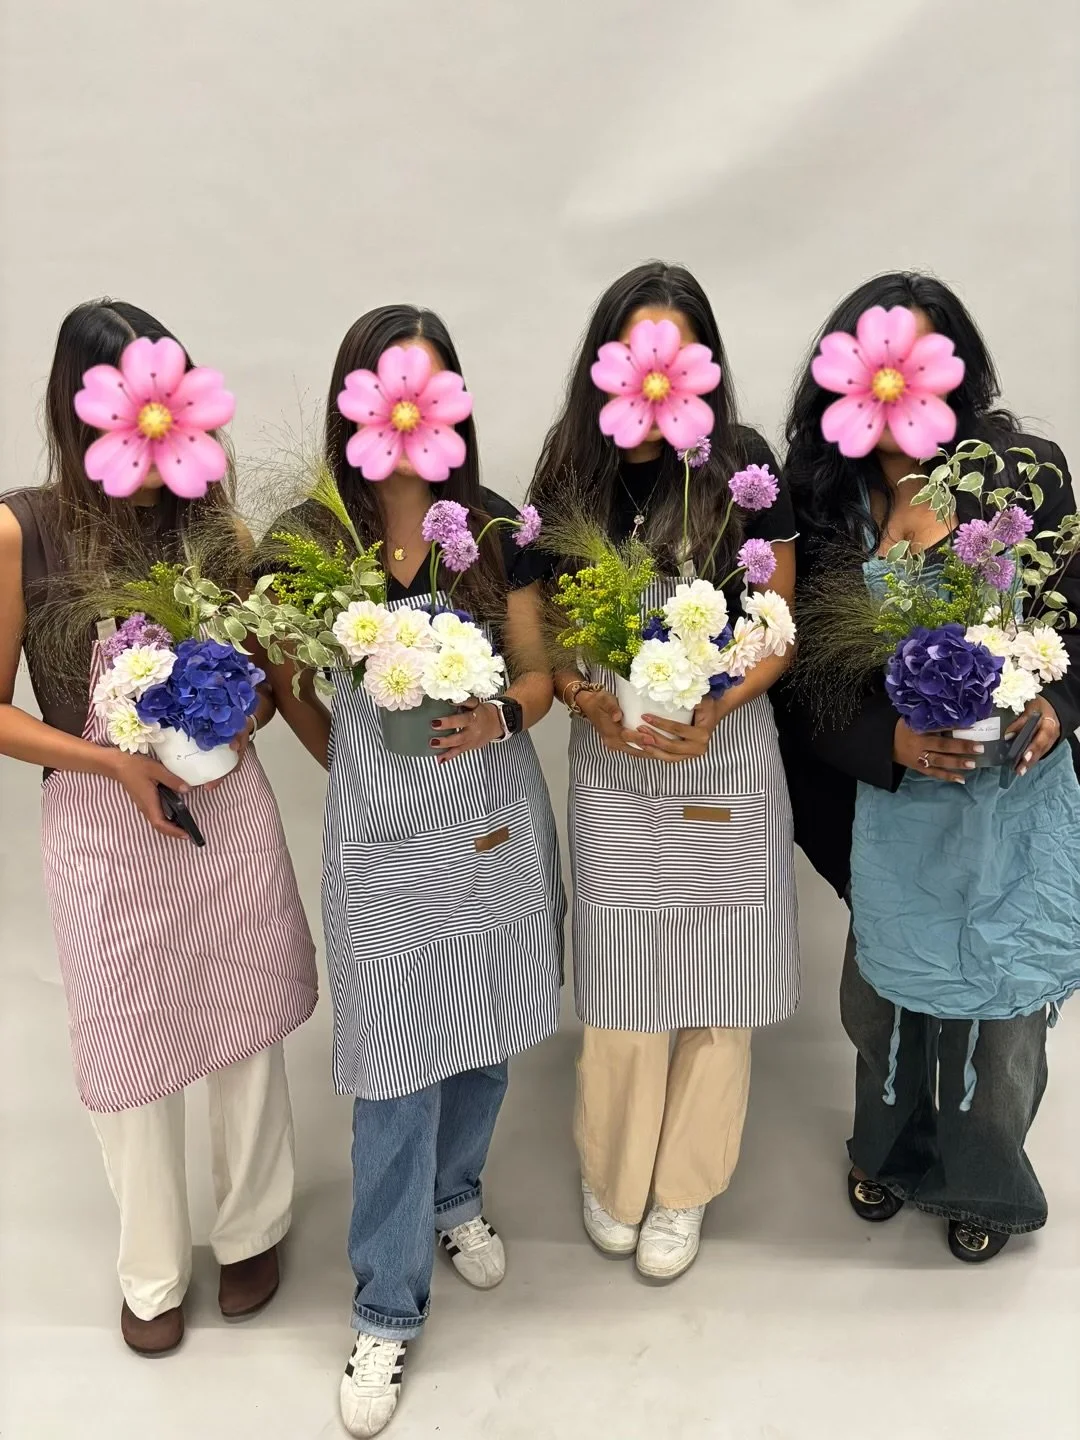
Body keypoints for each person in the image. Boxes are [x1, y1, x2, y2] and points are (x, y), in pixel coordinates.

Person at [267, 305, 565, 1439]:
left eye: (430, 385)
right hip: (381, 842)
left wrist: (498, 714)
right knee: (394, 1073)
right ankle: (386, 1309)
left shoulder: (491, 527)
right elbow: (288, 672)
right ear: (357, 396)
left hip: (486, 820)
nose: (408, 409)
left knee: (481, 1040)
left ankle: (457, 1196)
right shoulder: (312, 534)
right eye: (389, 385)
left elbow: (535, 677)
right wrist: (341, 758)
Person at [0, 300, 318, 1355]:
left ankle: (253, 1227)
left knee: (243, 1028)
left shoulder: (214, 527)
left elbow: (269, 681)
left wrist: (237, 712)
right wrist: (115, 760)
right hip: (101, 825)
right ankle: (148, 1269)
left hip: (222, 809)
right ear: (80, 411)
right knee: (127, 1040)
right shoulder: (21, 528)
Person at [777, 271, 1080, 1261]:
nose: (895, 385)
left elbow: (1076, 617)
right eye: (875, 365)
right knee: (885, 996)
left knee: (1004, 1002)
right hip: (898, 802)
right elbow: (805, 678)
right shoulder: (819, 506)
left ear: (954, 367)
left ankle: (984, 1179)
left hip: (1012, 799)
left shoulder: (1023, 472)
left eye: (918, 361)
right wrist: (889, 747)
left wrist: (1056, 702)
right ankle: (888, 1150)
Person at [528, 261, 799, 1282]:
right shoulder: (568, 471)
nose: (654, 378)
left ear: (704, 365)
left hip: (722, 755)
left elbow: (782, 630)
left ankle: (682, 1189)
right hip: (614, 758)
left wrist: (718, 705)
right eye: (635, 354)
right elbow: (542, 636)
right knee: (624, 980)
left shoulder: (743, 467)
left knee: (717, 988)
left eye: (674, 356)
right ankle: (614, 1172)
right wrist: (592, 699)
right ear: (607, 361)